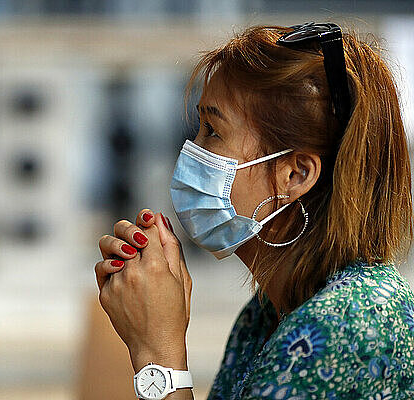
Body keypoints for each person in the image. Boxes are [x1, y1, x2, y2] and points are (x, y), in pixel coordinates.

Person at [94, 22, 414, 400]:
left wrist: (157, 354)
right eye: (199, 127)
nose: (191, 151)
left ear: (294, 174)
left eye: (213, 131)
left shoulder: (347, 323)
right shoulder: (265, 313)